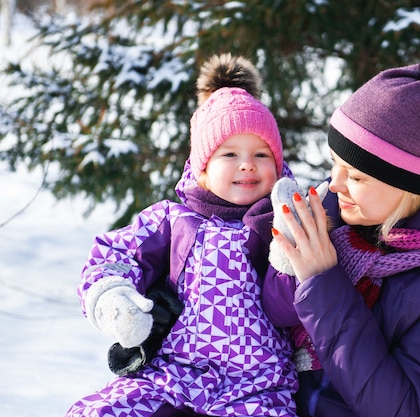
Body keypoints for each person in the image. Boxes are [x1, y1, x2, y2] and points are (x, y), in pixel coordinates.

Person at [264, 46, 420, 417]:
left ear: (409, 186)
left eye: (358, 176)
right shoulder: (332, 208)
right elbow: (268, 310)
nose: (334, 184)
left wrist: (321, 282)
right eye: (334, 164)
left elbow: (401, 408)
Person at [65, 54, 298, 417]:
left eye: (261, 154)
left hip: (259, 382)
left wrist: (291, 242)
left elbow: (310, 294)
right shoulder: (173, 220)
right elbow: (115, 255)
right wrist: (114, 297)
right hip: (174, 371)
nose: (247, 164)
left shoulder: (281, 219)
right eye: (229, 153)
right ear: (202, 167)